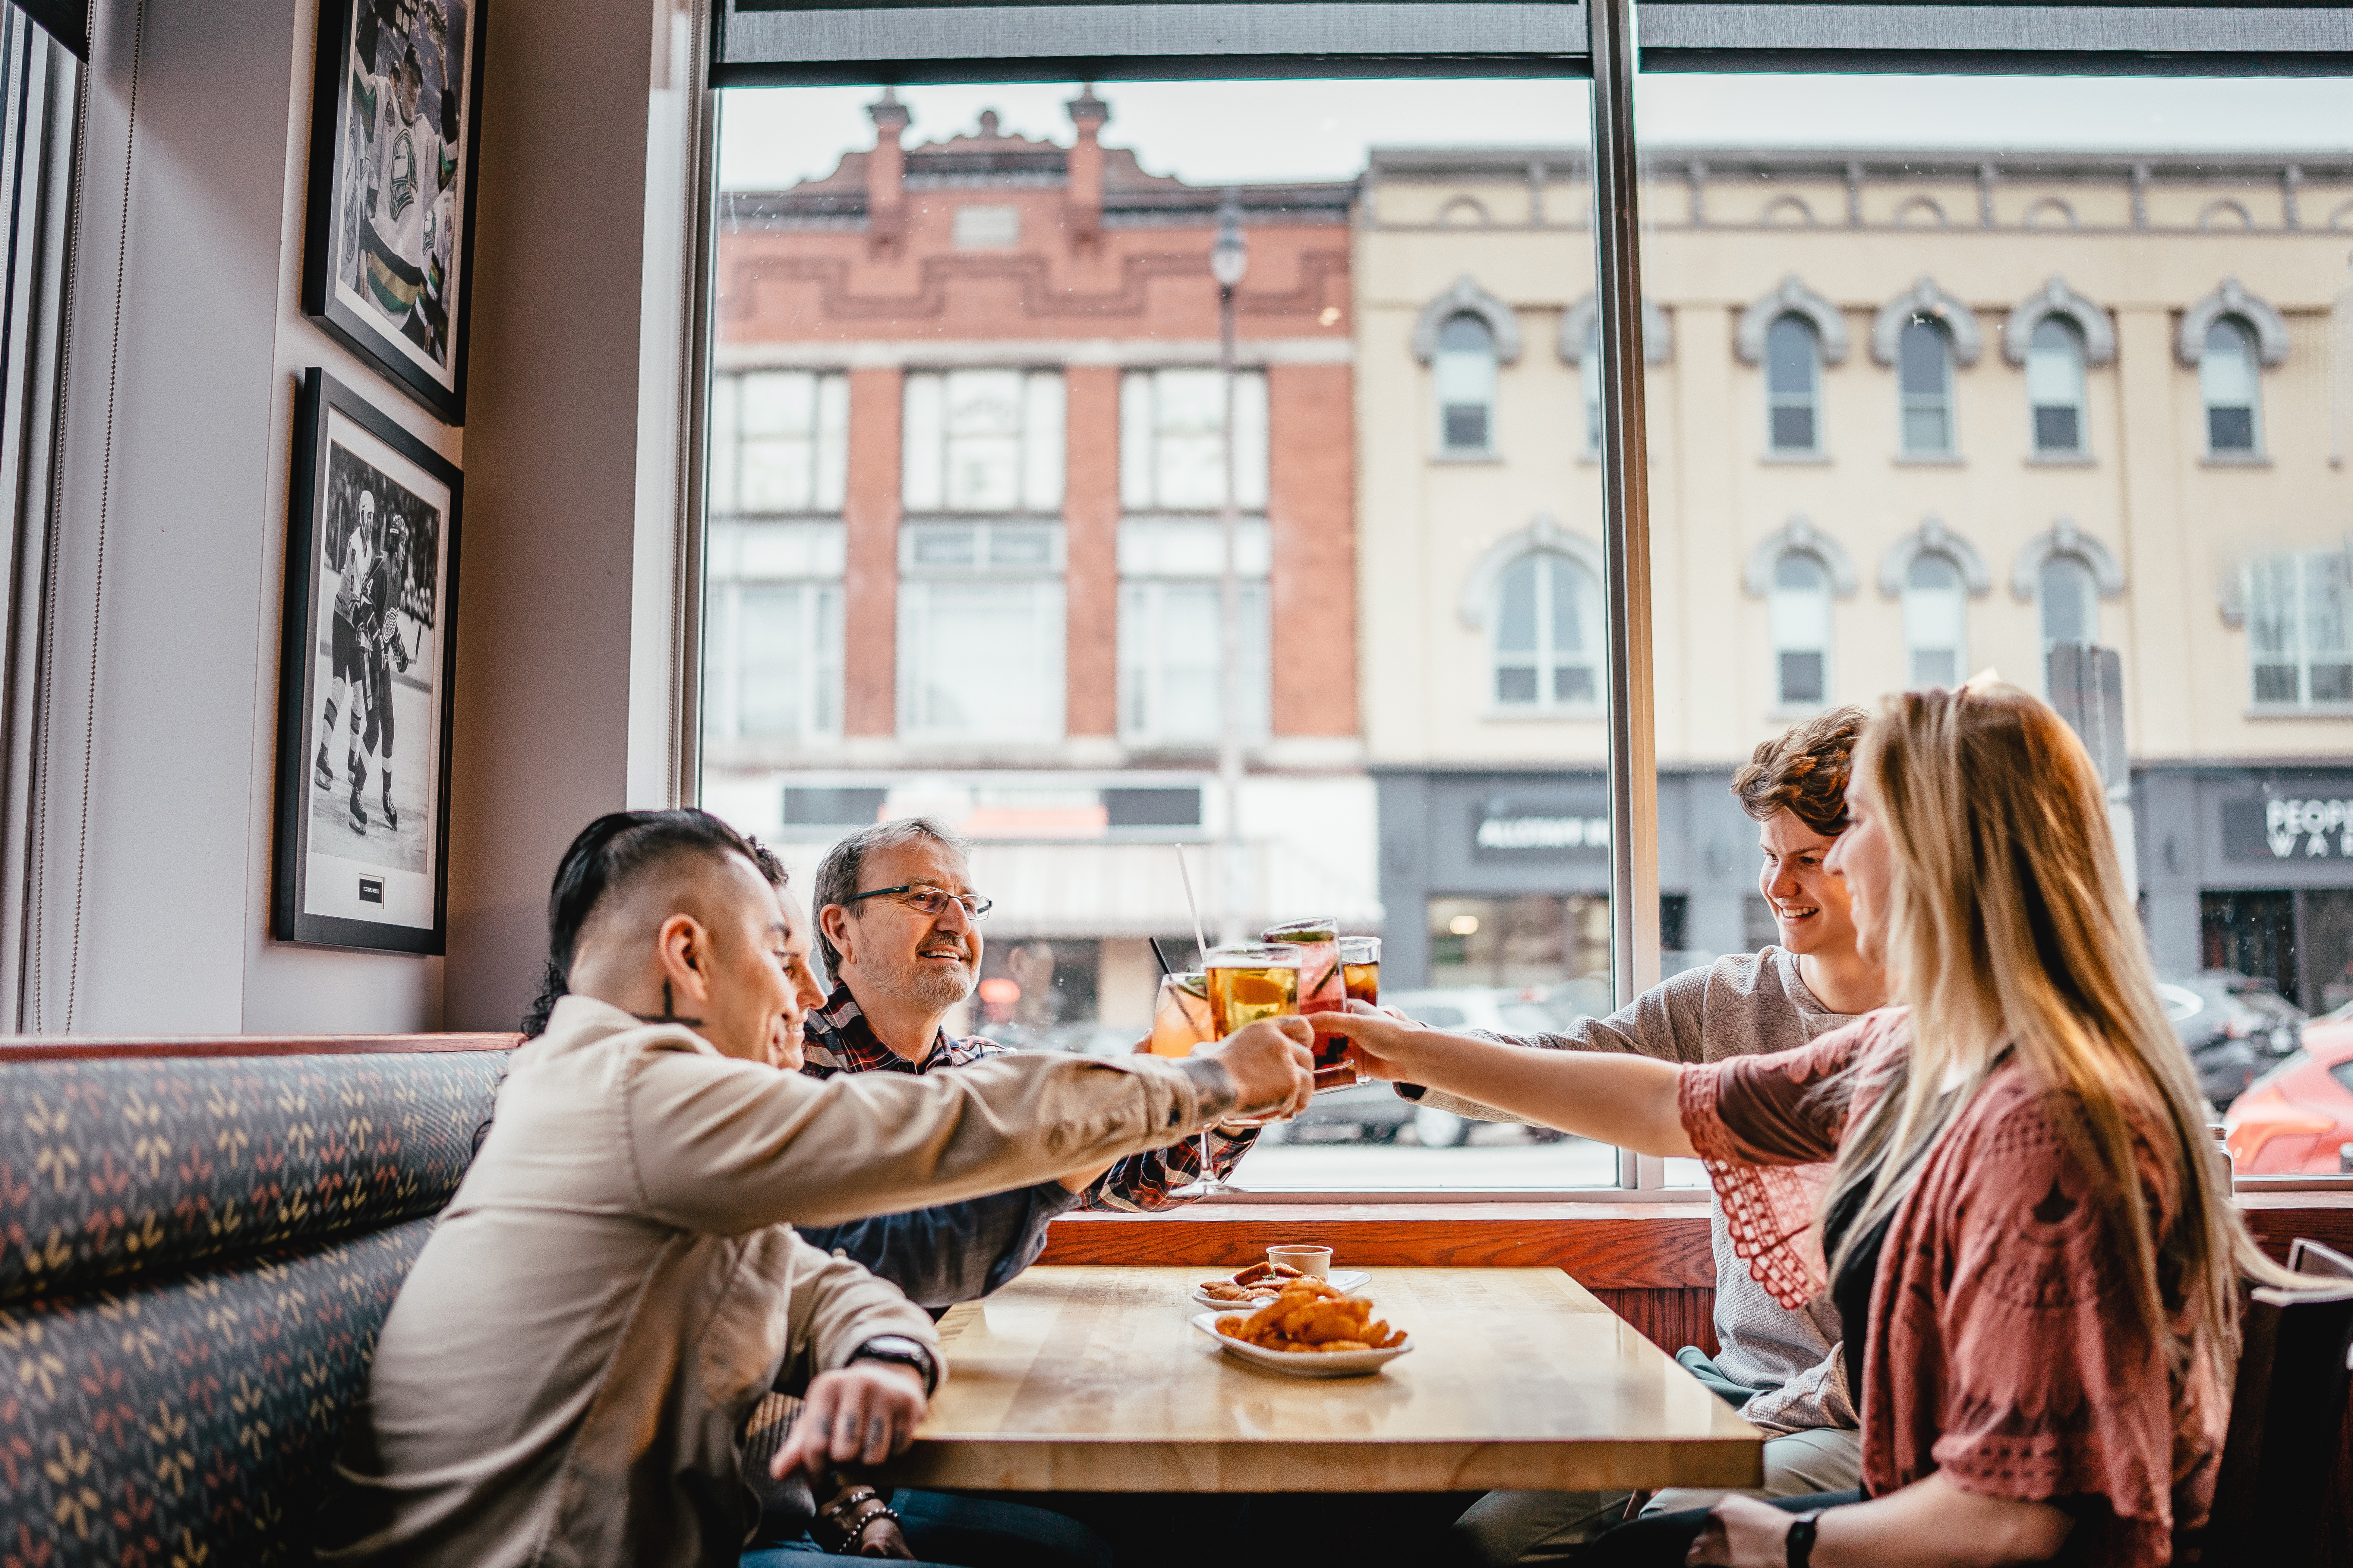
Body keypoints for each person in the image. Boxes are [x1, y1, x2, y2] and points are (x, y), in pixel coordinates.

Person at [1323, 684, 2287, 1568]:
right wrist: (1396, 1050)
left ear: (1936, 852)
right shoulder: (1929, 1045)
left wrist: (1776, 1535)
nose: (1802, 874)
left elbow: (2012, 1520)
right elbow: (1667, 1102)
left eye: (1854, 824)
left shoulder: (2046, 1126)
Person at [319, 808, 1316, 1568]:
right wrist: (1207, 1077)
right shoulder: (627, 1091)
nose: (804, 995)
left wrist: (879, 1353)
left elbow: (824, 1282)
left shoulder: (640, 1115)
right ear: (688, 956)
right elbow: (942, 1126)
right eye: (782, 954)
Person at [1436, 710, 1886, 1563]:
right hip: (1723, 1387)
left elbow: (1900, 1358)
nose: (1775, 888)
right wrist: (1389, 1049)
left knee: (1666, 1533)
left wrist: (1725, 1435)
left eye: (1807, 861)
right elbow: (1560, 1068)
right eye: (1766, 856)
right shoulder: (1722, 1000)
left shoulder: (1934, 1039)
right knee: (1481, 1543)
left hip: (1862, 1413)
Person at [787, 817, 1265, 1311]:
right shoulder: (783, 1061)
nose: (958, 924)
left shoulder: (985, 1070)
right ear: (842, 928)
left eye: (969, 905)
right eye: (925, 898)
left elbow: (1140, 1180)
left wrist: (1238, 1097)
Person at [315, 490, 376, 830]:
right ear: (361, 514)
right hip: (344, 619)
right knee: (341, 684)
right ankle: (324, 753)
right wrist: (362, 627)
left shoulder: (368, 545)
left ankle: (351, 757)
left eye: (372, 516)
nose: (369, 521)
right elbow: (354, 593)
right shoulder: (355, 544)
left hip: (354, 622)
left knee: (357, 695)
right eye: (366, 515)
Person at [354, 510, 414, 833]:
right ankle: (356, 795)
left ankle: (386, 794)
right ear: (396, 543)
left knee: (389, 730)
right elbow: (364, 604)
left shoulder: (397, 575)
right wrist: (378, 642)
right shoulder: (380, 563)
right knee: (375, 728)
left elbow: (389, 622)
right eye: (404, 546)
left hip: (382, 660)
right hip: (368, 653)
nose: (406, 553)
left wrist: (400, 651)